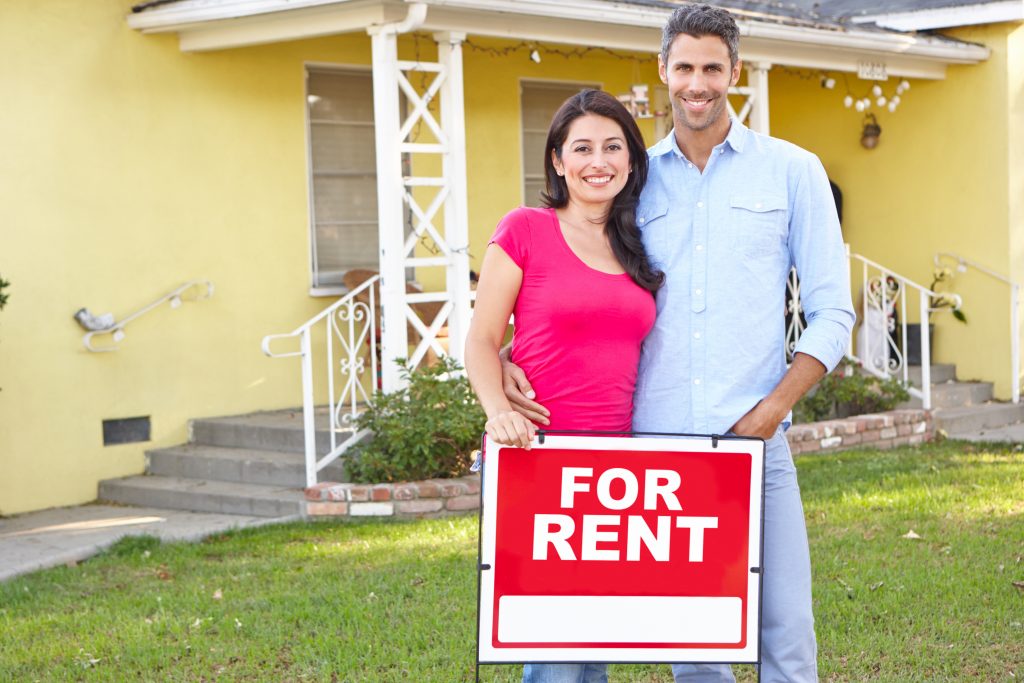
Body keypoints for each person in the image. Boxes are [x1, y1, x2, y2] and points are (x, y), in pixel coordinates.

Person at [500, 5, 855, 683]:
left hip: (755, 441)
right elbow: (573, 274)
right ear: (664, 71)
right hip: (657, 454)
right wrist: (510, 353)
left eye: (712, 68)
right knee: (696, 653)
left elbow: (832, 312)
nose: (698, 83)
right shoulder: (630, 178)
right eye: (685, 67)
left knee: (787, 639)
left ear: (735, 72)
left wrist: (772, 410)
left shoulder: (792, 171)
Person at [464, 89, 663, 682]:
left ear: (630, 160)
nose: (597, 161)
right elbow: (479, 339)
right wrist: (499, 409)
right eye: (582, 148)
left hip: (616, 471)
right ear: (557, 160)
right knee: (554, 651)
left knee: (592, 644)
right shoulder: (526, 229)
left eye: (612, 146)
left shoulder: (638, 244)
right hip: (538, 459)